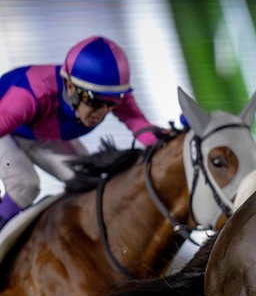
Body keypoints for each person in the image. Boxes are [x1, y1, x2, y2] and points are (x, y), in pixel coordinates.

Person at [0, 36, 163, 230]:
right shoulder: (29, 96)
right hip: (6, 127)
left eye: (112, 103)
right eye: (94, 101)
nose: (102, 111)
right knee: (25, 185)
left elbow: (142, 127)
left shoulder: (111, 91)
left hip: (38, 131)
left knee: (90, 181)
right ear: (70, 86)